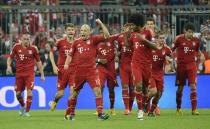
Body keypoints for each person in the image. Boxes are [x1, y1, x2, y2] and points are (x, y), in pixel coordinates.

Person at [64, 19, 110, 120]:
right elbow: (70, 55)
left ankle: (100, 114)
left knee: (98, 91)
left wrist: (101, 24)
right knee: (74, 94)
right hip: (79, 72)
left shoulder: (94, 39)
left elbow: (107, 36)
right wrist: (66, 64)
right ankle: (71, 114)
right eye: (81, 31)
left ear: (89, 32)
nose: (82, 32)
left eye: (85, 31)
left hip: (91, 72)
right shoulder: (76, 43)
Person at [127, 13, 159, 120]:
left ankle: (144, 105)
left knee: (146, 90)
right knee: (139, 86)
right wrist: (126, 37)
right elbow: (130, 47)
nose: (131, 27)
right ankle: (140, 110)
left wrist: (144, 40)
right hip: (136, 63)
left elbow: (156, 47)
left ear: (138, 24)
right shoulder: (132, 35)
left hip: (147, 64)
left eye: (132, 25)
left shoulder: (148, 32)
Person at [6, 32, 45, 117]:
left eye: (28, 39)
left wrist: (42, 74)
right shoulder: (16, 47)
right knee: (18, 94)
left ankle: (27, 111)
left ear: (30, 40)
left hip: (29, 74)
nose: (26, 41)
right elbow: (10, 58)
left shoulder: (34, 48)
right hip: (19, 75)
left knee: (29, 92)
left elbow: (39, 62)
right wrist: (8, 66)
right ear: (21, 39)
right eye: (25, 39)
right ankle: (23, 106)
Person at [172, 23, 205, 115]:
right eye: (189, 32)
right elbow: (172, 49)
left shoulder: (196, 41)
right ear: (185, 31)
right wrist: (169, 59)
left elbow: (197, 50)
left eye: (192, 32)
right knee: (180, 89)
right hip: (181, 66)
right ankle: (178, 108)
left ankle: (194, 110)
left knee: (193, 86)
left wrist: (201, 54)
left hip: (192, 66)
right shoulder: (179, 39)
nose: (191, 34)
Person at [49, 23, 76, 111]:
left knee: (72, 91)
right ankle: (54, 102)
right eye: (69, 30)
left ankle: (69, 111)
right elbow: (51, 53)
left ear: (74, 31)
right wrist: (54, 66)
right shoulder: (60, 42)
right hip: (62, 70)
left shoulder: (77, 43)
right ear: (65, 31)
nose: (71, 31)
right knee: (60, 94)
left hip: (73, 70)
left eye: (72, 30)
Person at [147, 31, 172, 116]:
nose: (162, 40)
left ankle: (150, 112)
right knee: (153, 91)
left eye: (163, 38)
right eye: (160, 38)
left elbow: (170, 59)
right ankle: (145, 103)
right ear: (156, 39)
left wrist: (169, 62)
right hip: (150, 73)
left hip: (160, 74)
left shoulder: (167, 49)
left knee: (159, 94)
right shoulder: (151, 47)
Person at [95, 27, 119, 115]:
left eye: (104, 33)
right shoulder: (96, 43)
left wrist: (117, 55)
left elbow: (119, 46)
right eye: (101, 33)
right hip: (101, 68)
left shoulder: (112, 40)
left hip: (111, 69)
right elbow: (92, 58)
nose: (103, 34)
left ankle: (112, 108)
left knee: (111, 90)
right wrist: (99, 60)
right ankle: (99, 109)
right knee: (100, 87)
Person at [116, 23, 135, 115]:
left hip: (134, 66)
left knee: (133, 88)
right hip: (123, 66)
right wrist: (117, 55)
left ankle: (130, 108)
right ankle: (126, 108)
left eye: (130, 28)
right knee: (125, 87)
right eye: (126, 27)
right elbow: (119, 50)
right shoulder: (120, 38)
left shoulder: (136, 38)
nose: (128, 29)